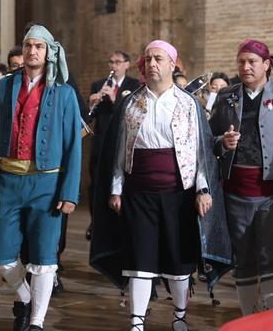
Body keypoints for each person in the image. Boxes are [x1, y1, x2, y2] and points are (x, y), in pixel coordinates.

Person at [92, 40, 223, 331]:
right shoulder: (131, 103)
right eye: (148, 59)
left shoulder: (188, 103)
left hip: (179, 193)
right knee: (140, 257)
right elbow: (119, 149)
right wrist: (116, 189)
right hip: (138, 193)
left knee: (178, 257)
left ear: (172, 64)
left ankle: (179, 316)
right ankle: (137, 322)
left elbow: (199, 151)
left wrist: (202, 190)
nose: (152, 63)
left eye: (159, 59)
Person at [209, 39, 273, 315]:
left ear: (266, 64)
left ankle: (272, 317)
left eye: (252, 61)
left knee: (270, 256)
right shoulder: (226, 96)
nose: (245, 66)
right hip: (235, 192)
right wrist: (221, 142)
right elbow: (208, 140)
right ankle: (248, 317)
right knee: (243, 257)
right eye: (241, 61)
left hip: (272, 193)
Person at [0, 24, 81, 331]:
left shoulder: (64, 93)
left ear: (49, 52)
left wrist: (69, 192)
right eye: (28, 45)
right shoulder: (3, 87)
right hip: (7, 180)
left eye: (39, 46)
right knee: (2, 253)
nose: (32, 51)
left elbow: (73, 145)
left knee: (44, 255)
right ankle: (27, 299)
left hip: (48, 183)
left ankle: (38, 322)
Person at [87, 51, 140, 240]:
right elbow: (90, 117)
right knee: (96, 184)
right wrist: (91, 104)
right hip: (101, 142)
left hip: (122, 141)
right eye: (111, 62)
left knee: (118, 184)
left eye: (118, 62)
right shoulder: (98, 84)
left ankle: (119, 223)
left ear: (127, 64)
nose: (114, 66)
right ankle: (96, 223)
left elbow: (131, 113)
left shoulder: (134, 85)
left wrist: (113, 100)